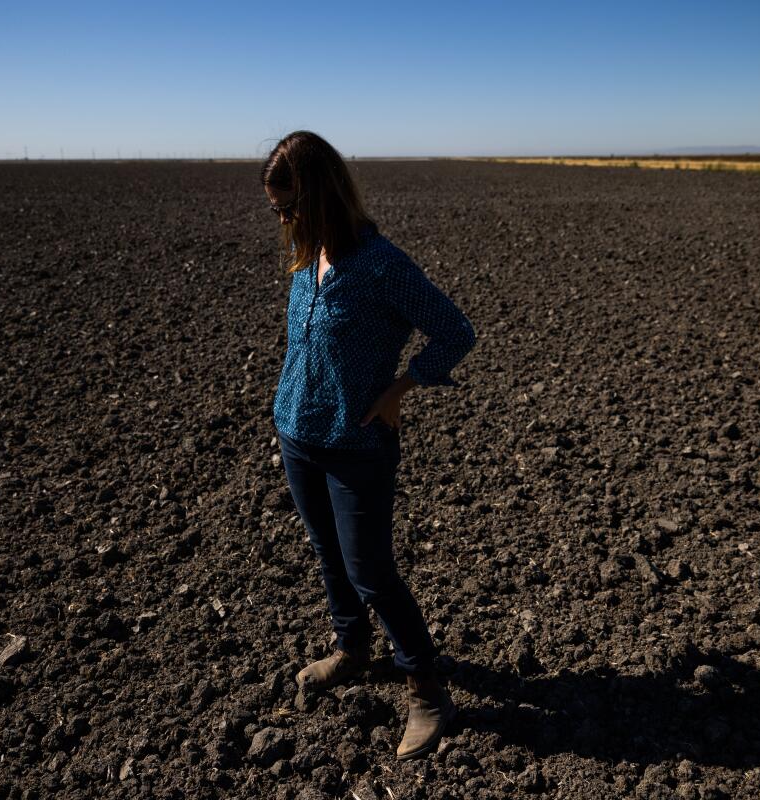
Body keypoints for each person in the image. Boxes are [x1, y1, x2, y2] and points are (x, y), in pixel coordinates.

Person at [261, 130, 477, 760]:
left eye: (289, 208)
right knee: (327, 552)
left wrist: (401, 389)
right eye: (277, 210)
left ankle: (428, 692)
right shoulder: (311, 253)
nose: (282, 220)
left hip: (358, 444)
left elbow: (454, 332)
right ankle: (352, 648)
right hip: (297, 433)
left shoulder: (381, 264)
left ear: (321, 195)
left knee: (372, 572)